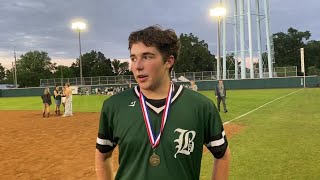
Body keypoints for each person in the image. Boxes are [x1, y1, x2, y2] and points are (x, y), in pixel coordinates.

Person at [95, 25, 230, 180]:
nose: (137, 66)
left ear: (169, 61)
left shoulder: (201, 107)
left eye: (147, 57)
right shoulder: (114, 106)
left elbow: (222, 155)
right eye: (133, 58)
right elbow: (102, 155)